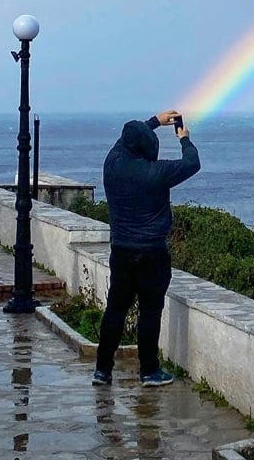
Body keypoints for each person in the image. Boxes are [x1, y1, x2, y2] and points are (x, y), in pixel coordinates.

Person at [92, 108, 200, 387]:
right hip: (152, 252)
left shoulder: (112, 163)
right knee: (150, 311)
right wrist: (184, 138)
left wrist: (154, 122)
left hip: (122, 251)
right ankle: (149, 371)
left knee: (115, 309)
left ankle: (102, 370)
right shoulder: (156, 172)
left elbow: (124, 139)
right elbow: (191, 164)